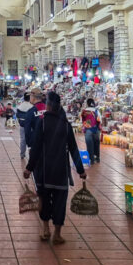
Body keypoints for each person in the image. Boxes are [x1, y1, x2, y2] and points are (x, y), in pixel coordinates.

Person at [24, 91, 86, 245]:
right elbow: (73, 149)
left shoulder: (42, 123)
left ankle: (45, 229)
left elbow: (36, 147)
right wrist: (81, 170)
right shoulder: (66, 125)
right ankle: (57, 234)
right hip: (60, 172)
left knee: (43, 201)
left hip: (43, 172)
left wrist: (29, 168)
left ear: (49, 106)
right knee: (59, 203)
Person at [81, 98, 101, 164]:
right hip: (95, 130)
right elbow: (99, 120)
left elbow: (83, 121)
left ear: (87, 104)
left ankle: (91, 160)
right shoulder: (96, 110)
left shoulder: (84, 111)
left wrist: (87, 125)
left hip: (88, 130)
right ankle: (97, 158)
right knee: (96, 144)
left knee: (89, 145)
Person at [15, 93, 35, 160]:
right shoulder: (32, 107)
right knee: (31, 140)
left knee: (23, 140)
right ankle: (31, 155)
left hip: (22, 125)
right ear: (30, 98)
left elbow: (17, 116)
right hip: (31, 126)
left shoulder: (20, 106)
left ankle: (22, 154)